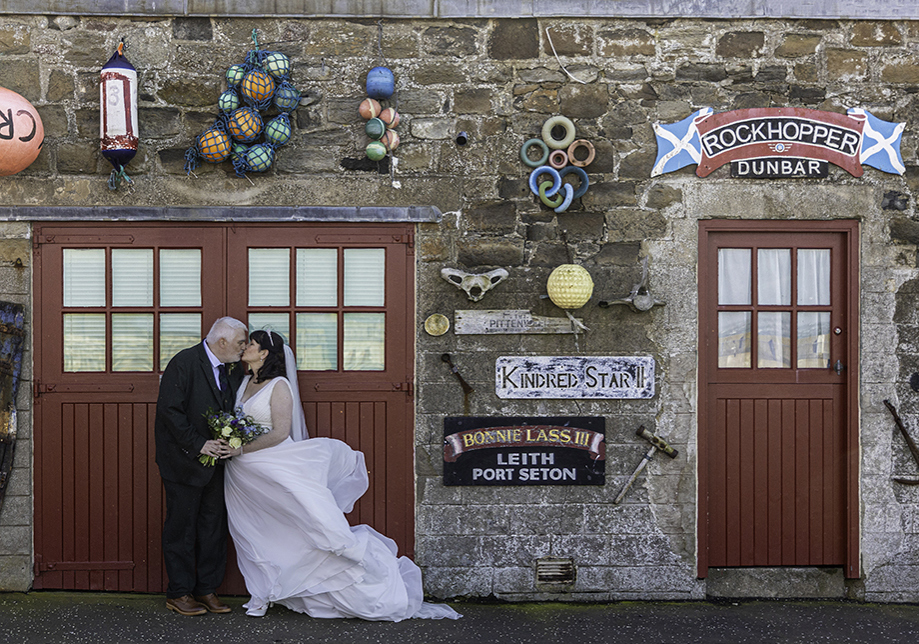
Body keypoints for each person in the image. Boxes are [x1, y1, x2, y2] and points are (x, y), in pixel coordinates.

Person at [223, 329, 461, 621]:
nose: (245, 347)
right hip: (241, 474)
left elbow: (280, 432)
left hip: (273, 465)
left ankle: (353, 575)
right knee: (251, 530)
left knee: (303, 525)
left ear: (264, 354)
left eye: (252, 344)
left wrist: (240, 449)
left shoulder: (280, 386)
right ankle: (261, 593)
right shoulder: (244, 381)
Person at [154, 317, 248, 616]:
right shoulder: (184, 362)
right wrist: (199, 444)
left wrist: (231, 440)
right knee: (181, 529)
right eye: (239, 343)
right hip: (183, 462)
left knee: (213, 528)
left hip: (218, 464)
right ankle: (179, 593)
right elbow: (170, 411)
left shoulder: (233, 368)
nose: (243, 349)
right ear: (222, 342)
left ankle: (207, 589)